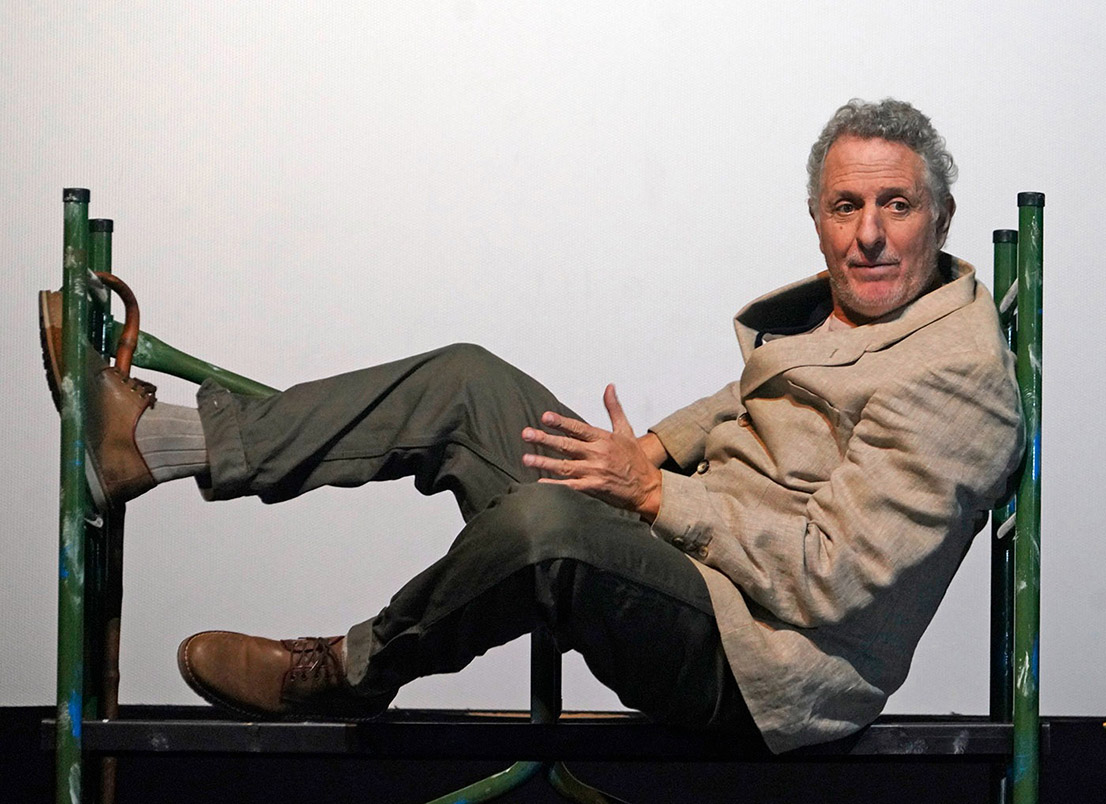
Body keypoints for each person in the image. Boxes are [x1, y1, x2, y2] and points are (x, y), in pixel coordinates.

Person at [40, 98, 1023, 754]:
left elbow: (831, 574)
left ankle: (342, 671)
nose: (867, 232)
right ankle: (156, 444)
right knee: (469, 382)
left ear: (939, 216)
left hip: (765, 666)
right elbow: (752, 400)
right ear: (815, 216)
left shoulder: (959, 381)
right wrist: (653, 451)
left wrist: (654, 495)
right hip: (694, 564)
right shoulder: (859, 309)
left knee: (545, 528)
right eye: (845, 206)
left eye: (895, 205)